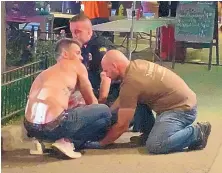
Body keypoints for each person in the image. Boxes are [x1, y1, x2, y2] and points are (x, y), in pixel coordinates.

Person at [86, 50, 212, 154]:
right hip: (179, 101)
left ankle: (197, 132)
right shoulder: (136, 65)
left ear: (115, 66)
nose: (106, 75)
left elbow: (122, 126)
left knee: (156, 145)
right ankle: (149, 132)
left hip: (181, 110)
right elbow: (125, 99)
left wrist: (101, 143)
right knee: (136, 102)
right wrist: (109, 112)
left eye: (107, 71)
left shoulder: (131, 83)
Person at [24, 38, 112, 159]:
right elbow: (92, 102)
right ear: (65, 54)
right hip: (55, 125)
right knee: (104, 112)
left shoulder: (45, 73)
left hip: (30, 127)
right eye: (77, 53)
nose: (81, 57)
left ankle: (41, 142)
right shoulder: (76, 66)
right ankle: (67, 141)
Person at [69, 13, 117, 104]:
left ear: (89, 31)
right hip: (89, 92)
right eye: (72, 32)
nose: (74, 35)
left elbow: (106, 77)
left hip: (107, 95)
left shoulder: (100, 46)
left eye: (77, 31)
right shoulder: (80, 45)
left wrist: (100, 103)